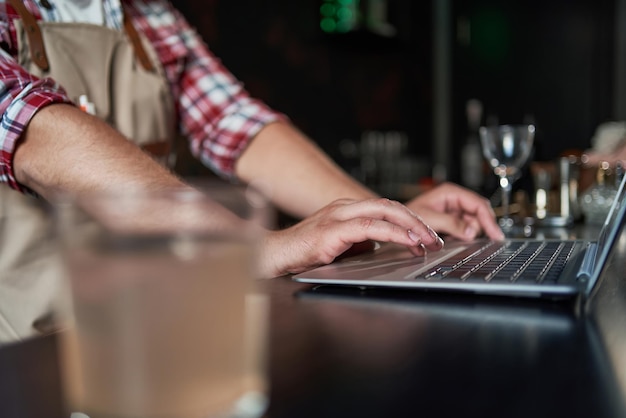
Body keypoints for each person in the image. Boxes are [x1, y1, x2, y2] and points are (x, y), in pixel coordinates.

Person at [0, 0, 502, 339]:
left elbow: (236, 124)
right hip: (34, 352)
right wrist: (247, 248)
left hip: (148, 333)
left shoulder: (149, 15)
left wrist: (387, 219)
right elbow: (35, 130)